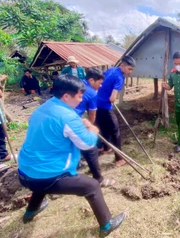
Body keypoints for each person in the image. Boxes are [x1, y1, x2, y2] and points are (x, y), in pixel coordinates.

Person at [18, 75, 125, 237]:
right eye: (79, 96)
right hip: (46, 177)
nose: (81, 100)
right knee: (92, 186)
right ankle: (106, 225)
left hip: (24, 172)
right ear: (66, 96)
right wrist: (93, 130)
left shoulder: (41, 108)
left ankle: (30, 212)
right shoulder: (68, 117)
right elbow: (87, 144)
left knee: (40, 178)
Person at [74, 68, 113, 186]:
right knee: (91, 147)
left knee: (70, 144)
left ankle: (74, 165)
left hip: (63, 118)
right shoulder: (91, 93)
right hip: (71, 120)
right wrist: (90, 128)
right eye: (99, 83)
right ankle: (98, 179)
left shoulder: (77, 83)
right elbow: (92, 114)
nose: (100, 86)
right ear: (91, 80)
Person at [95, 56, 136, 167]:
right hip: (105, 105)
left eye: (132, 69)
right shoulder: (119, 78)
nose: (130, 72)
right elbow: (112, 98)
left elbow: (100, 82)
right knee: (115, 131)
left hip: (96, 104)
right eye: (129, 69)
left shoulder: (110, 70)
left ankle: (105, 148)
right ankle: (119, 159)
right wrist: (112, 98)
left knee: (102, 127)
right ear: (122, 65)